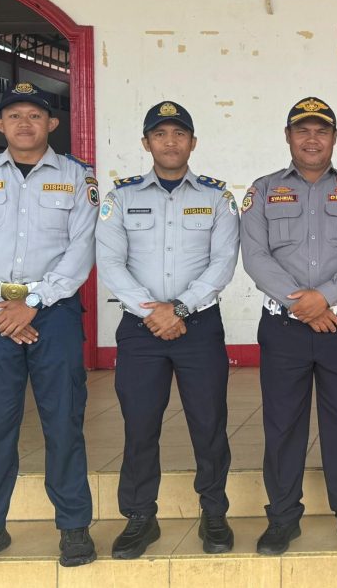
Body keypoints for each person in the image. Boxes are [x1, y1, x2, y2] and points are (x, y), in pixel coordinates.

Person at [0, 82, 97, 571]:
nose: (25, 124)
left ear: (52, 123)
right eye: (15, 116)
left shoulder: (78, 178)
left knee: (63, 421)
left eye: (35, 115)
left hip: (52, 312)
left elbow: (82, 248)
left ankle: (73, 527)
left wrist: (32, 303)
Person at [95, 101, 240, 559]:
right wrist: (152, 311)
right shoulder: (120, 198)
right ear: (146, 143)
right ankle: (140, 516)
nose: (170, 142)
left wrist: (178, 308)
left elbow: (223, 262)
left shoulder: (217, 197)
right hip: (140, 331)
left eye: (179, 134)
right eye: (160, 134)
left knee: (209, 424)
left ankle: (214, 513)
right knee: (140, 425)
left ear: (193, 143)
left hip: (199, 326)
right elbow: (110, 262)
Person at [241, 96, 337, 554]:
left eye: (321, 131)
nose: (312, 139)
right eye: (303, 130)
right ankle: (283, 518)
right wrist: (305, 305)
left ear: (335, 138)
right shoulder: (263, 191)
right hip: (283, 329)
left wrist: (327, 298)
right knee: (283, 425)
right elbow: (255, 256)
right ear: (288, 137)